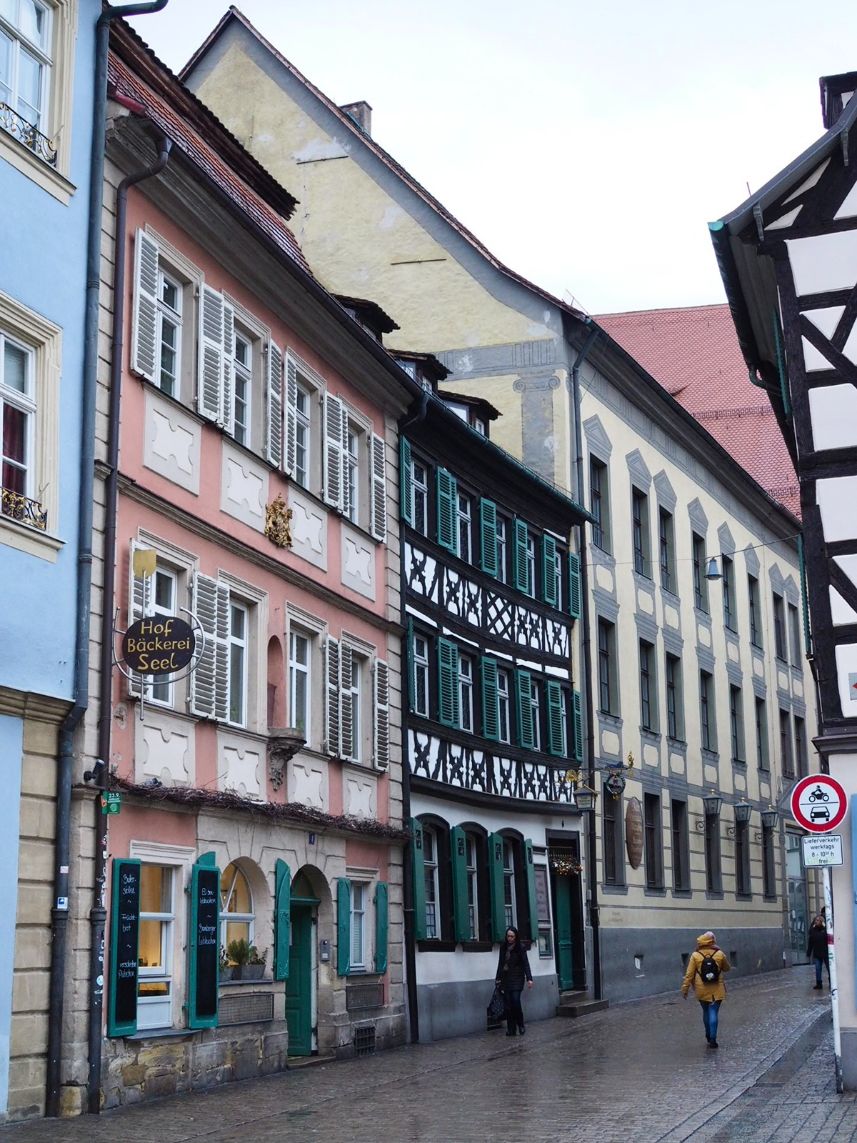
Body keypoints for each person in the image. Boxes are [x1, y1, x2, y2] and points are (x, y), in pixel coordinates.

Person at [681, 930, 731, 1049]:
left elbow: (689, 974)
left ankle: (708, 1035)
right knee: (713, 1011)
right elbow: (727, 968)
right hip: (717, 988)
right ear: (712, 941)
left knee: (705, 1011)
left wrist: (685, 988)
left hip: (701, 988)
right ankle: (713, 1038)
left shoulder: (695, 955)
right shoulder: (719, 954)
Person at [495, 926, 533, 1036]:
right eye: (508, 936)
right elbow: (500, 964)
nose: (510, 938)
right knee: (508, 1005)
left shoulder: (520, 948)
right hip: (506, 979)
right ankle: (511, 1029)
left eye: (512, 936)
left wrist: (529, 979)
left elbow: (526, 963)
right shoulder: (503, 947)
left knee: (515, 1002)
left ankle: (520, 1024)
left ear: (516, 937)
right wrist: (498, 978)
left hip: (517, 978)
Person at [807, 914, 830, 990]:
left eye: (817, 920)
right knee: (817, 968)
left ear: (821, 921)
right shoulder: (813, 930)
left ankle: (831, 982)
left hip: (825, 952)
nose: (815, 922)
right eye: (815, 920)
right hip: (817, 953)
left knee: (828, 968)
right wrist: (809, 952)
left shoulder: (826, 930)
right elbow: (811, 942)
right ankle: (819, 983)